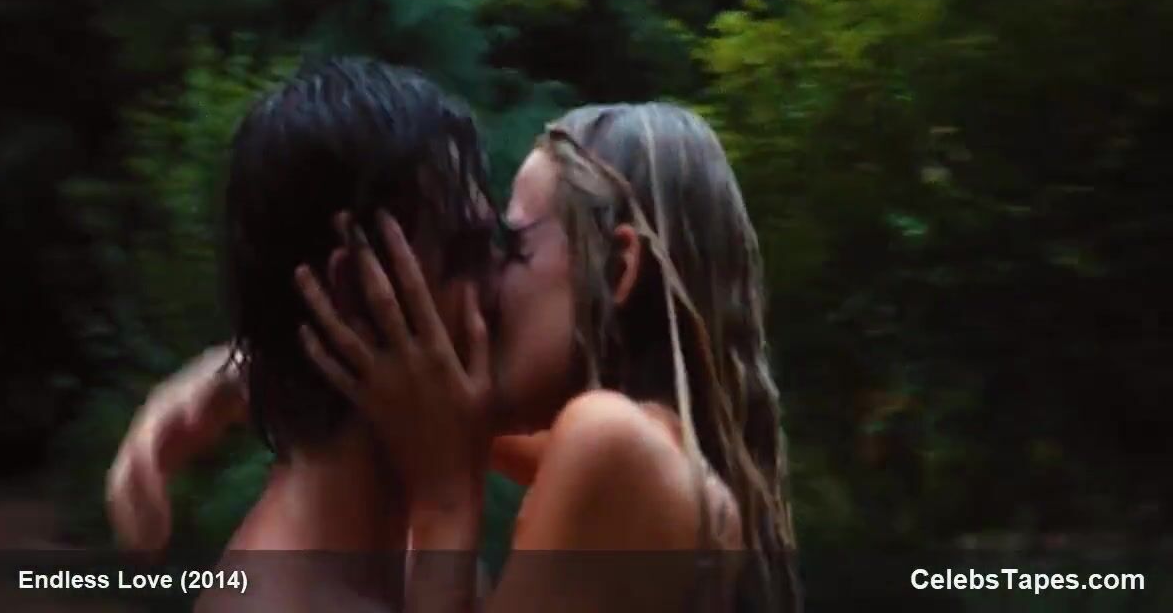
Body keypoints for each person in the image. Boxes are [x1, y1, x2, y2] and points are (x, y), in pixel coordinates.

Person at [109, 104, 800, 612]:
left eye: (511, 245)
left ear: (617, 269)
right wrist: (244, 373)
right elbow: (435, 410)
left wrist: (446, 501)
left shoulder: (615, 445)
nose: (486, 283)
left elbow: (447, 440)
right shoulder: (655, 455)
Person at [154, 56, 505, 612]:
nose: (501, 286)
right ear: (357, 290)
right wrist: (448, 504)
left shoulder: (413, 555)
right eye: (470, 253)